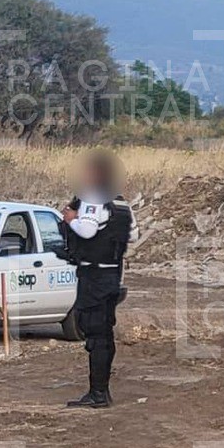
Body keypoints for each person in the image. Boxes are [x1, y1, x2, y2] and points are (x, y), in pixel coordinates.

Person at [58, 150, 137, 409]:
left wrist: (72, 220)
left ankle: (98, 393)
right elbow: (133, 235)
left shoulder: (93, 199)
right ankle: (101, 391)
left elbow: (88, 230)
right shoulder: (122, 204)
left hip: (94, 276)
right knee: (104, 333)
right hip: (114, 275)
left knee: (94, 334)